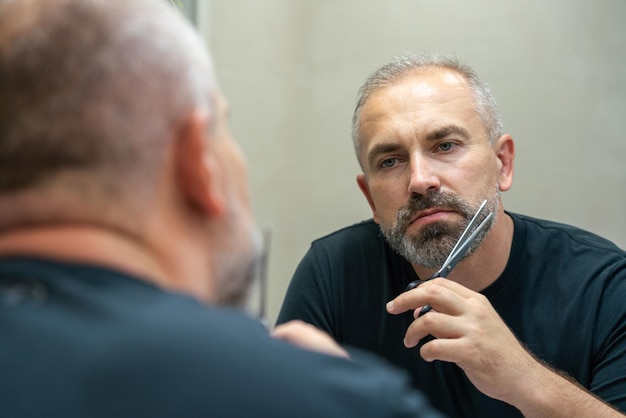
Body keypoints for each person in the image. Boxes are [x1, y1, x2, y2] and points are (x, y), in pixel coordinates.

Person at [0, 1, 448, 417]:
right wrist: (327, 393)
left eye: (446, 145)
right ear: (197, 160)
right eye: (223, 125)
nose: (420, 180)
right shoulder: (315, 396)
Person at [277, 53, 626, 417]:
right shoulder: (334, 274)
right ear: (370, 199)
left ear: (502, 163)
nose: (420, 180)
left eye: (445, 146)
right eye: (390, 161)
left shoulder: (604, 286)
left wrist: (526, 380)